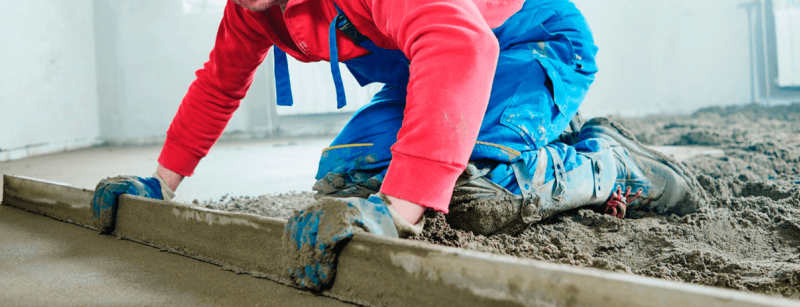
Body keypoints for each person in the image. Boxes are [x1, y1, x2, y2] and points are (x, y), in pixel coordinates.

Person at [90, 0, 707, 291]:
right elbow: (218, 85)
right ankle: (532, 135)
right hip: (431, 65)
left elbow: (463, 45)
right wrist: (160, 185)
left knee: (474, 193)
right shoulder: (252, 8)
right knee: (346, 178)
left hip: (529, 44)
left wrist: (399, 210)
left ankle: (611, 162)